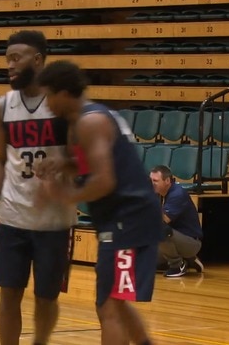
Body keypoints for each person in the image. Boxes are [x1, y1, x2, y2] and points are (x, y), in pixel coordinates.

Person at [36, 59, 161, 345]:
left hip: (127, 219)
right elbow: (89, 165)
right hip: (123, 219)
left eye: (49, 96)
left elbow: (104, 180)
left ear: (64, 93)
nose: (47, 104)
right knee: (113, 299)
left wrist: (65, 196)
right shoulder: (91, 117)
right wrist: (63, 164)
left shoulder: (90, 121)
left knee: (109, 305)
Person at [0, 30, 77, 345]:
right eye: (7, 58)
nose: (9, 65)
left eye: (15, 58)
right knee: (8, 294)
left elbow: (84, 160)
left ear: (37, 60)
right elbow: (2, 161)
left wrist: (63, 165)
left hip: (54, 220)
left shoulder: (62, 104)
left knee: (46, 298)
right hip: (13, 216)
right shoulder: (3, 106)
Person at [149, 165, 204, 277]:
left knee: (159, 230)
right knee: (148, 262)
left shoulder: (177, 194)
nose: (151, 183)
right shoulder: (159, 193)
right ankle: (189, 260)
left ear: (167, 181)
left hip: (191, 242)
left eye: (155, 181)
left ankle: (177, 265)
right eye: (150, 180)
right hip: (175, 238)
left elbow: (162, 221)